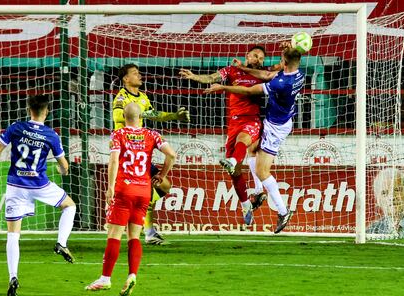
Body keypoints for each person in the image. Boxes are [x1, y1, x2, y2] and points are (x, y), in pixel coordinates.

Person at [204, 47, 305, 233]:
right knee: (250, 148)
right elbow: (266, 72)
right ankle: (258, 193)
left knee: (261, 170)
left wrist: (224, 87)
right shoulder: (299, 73)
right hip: (280, 120)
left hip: (276, 127)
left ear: (284, 63)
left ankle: (283, 211)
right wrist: (244, 68)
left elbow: (250, 91)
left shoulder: (281, 83)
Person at [0, 94, 77, 296]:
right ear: (46, 111)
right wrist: (62, 171)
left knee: (13, 235)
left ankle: (13, 276)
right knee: (69, 206)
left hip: (15, 185)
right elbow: (64, 166)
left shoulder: (16, 127)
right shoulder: (51, 134)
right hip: (40, 184)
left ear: (29, 110)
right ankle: (61, 243)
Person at [86, 103, 177, 296]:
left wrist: (110, 187)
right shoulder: (152, 134)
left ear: (124, 117)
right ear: (140, 116)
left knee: (114, 235)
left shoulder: (118, 135)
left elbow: (113, 160)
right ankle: (132, 274)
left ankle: (105, 279)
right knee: (134, 236)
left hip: (124, 190)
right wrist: (161, 175)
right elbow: (172, 155)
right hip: (143, 191)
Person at [179, 45, 270, 225]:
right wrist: (195, 77)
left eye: (261, 58)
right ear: (247, 56)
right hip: (234, 122)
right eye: (255, 56)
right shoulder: (232, 70)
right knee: (235, 173)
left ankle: (236, 163)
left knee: (243, 139)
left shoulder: (262, 75)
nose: (258, 60)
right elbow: (212, 78)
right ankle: (246, 205)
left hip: (252, 119)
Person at [112, 63, 189, 245]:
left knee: (163, 185)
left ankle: (146, 229)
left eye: (139, 73)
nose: (139, 76)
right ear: (126, 79)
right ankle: (148, 232)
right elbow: (117, 117)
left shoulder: (144, 97)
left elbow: (154, 114)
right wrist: (138, 114)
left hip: (140, 154)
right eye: (135, 73)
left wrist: (173, 116)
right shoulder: (122, 97)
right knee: (150, 190)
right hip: (126, 155)